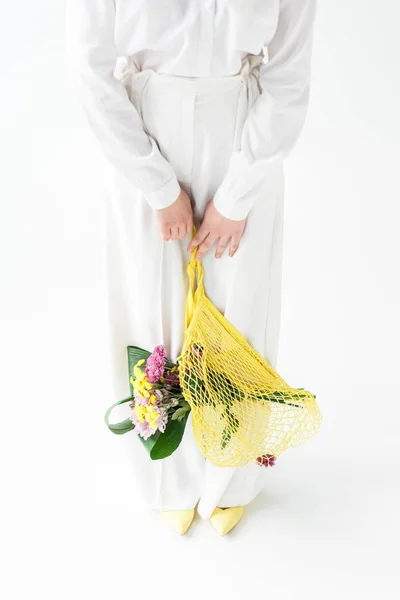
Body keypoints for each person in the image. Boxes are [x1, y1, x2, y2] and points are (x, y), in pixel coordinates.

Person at [66, 0, 317, 535]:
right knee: (151, 304)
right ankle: (167, 474)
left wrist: (239, 193)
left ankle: (233, 473)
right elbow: (89, 66)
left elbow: (289, 70)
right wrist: (155, 183)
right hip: (144, 126)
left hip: (243, 128)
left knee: (242, 304)